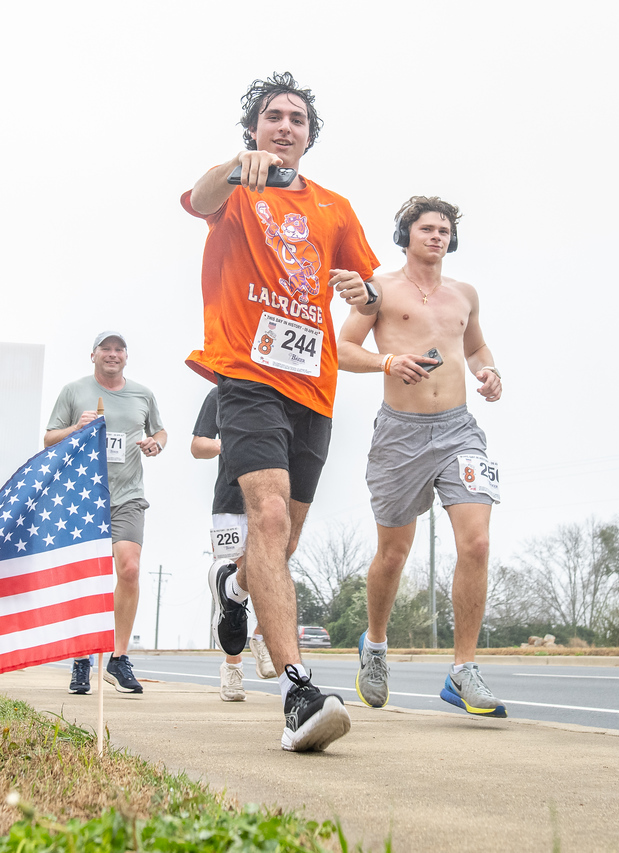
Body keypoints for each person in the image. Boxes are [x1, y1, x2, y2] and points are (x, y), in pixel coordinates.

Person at [182, 73, 380, 752]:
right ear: (255, 130)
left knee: (283, 543)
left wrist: (363, 291)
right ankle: (298, 689)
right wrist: (234, 170)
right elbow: (196, 197)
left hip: (312, 390)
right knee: (264, 518)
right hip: (246, 375)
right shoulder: (234, 188)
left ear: (309, 136)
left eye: (297, 118)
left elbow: (371, 291)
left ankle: (235, 589)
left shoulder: (334, 208)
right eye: (273, 116)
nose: (286, 125)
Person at [338, 196, 505, 717]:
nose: (437, 236)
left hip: (459, 431)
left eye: (444, 229)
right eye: (427, 228)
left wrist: (489, 371)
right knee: (394, 553)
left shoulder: (465, 295)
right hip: (399, 435)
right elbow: (342, 350)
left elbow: (475, 347)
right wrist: (388, 361)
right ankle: (377, 646)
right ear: (406, 235)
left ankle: (462, 671)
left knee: (476, 543)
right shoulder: (379, 289)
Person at [45, 331, 167, 695]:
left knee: (128, 568)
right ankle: (82, 657)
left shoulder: (142, 395)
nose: (113, 354)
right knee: (87, 578)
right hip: (84, 497)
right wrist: (76, 429)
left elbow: (160, 431)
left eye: (119, 349)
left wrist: (154, 444)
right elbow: (49, 438)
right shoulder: (73, 391)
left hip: (128, 495)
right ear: (93, 355)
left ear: (126, 357)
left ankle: (118, 657)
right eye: (106, 349)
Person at [191, 386, 279, 701]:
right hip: (229, 504)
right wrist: (225, 444)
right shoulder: (219, 394)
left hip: (269, 500)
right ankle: (232, 669)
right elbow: (197, 446)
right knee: (231, 586)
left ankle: (260, 637)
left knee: (268, 572)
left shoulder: (276, 392)